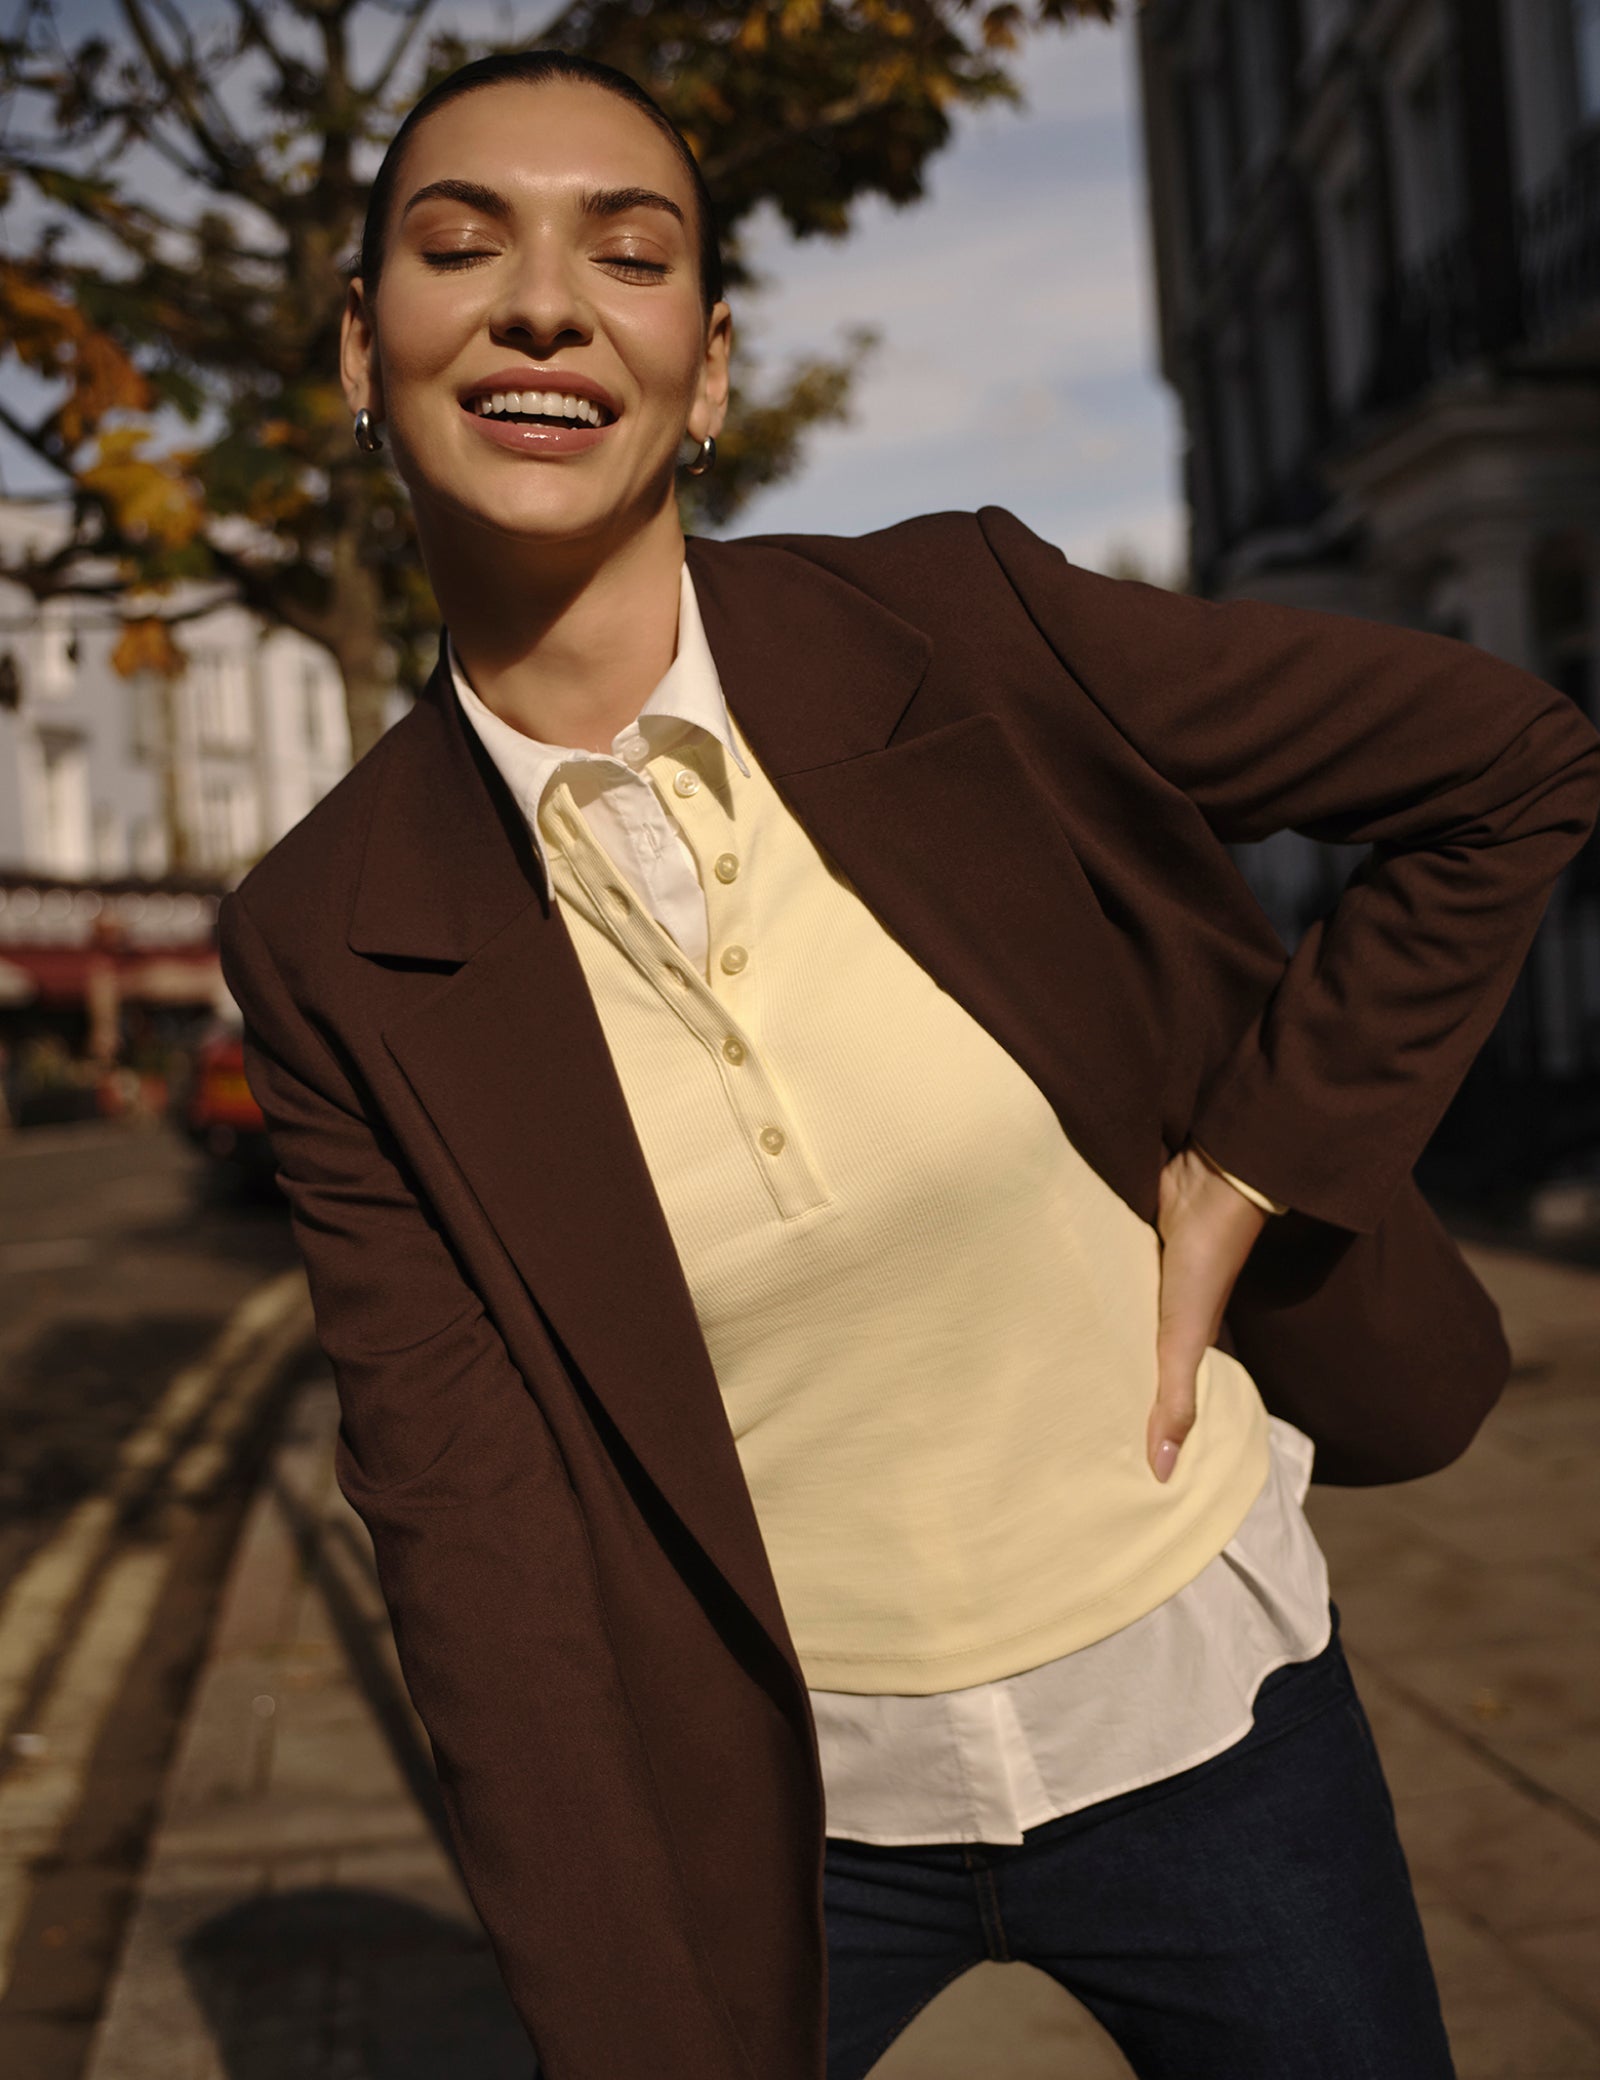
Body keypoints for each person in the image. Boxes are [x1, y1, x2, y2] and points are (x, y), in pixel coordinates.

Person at [217, 49, 1600, 2080]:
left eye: (628, 255)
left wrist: (1255, 1159)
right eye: (460, 246)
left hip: (1207, 1709)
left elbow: (1505, 767)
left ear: (704, 373)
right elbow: (468, 1535)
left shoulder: (962, 624)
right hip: (787, 1817)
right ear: (363, 345)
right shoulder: (323, 933)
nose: (544, 304)